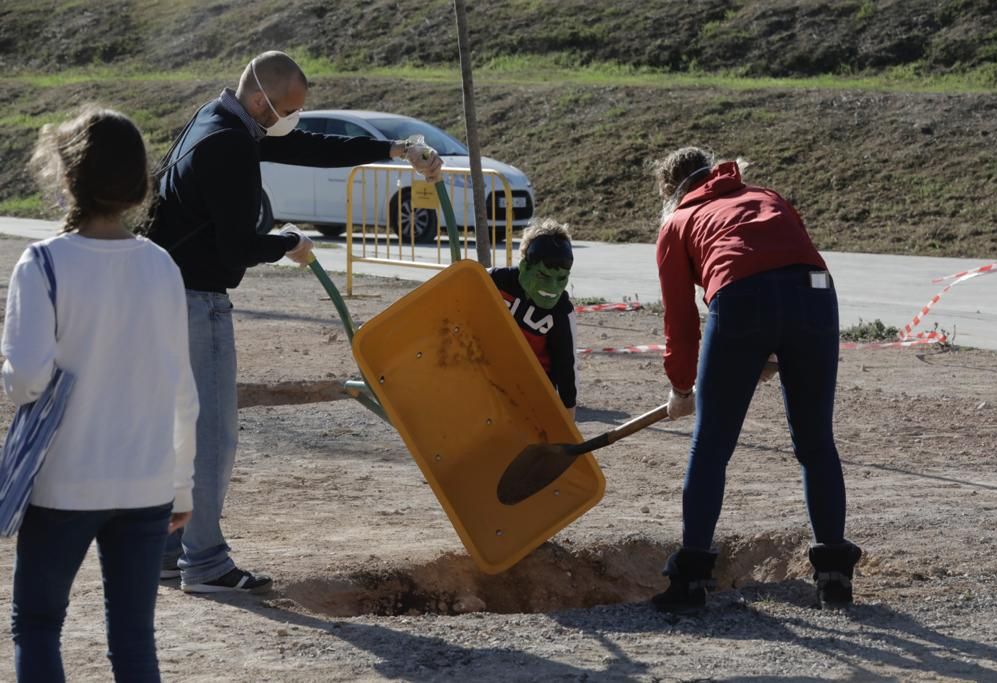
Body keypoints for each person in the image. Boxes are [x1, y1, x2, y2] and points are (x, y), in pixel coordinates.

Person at [146, 51, 442, 594]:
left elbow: (307, 146)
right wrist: (288, 242)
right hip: (196, 299)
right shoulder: (229, 142)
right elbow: (238, 243)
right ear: (261, 101)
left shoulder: (217, 119)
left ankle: (168, 552)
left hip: (168, 293)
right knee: (212, 432)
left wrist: (396, 150)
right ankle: (205, 563)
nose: (293, 120)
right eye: (289, 110)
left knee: (185, 430)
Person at [4, 107, 198, 681]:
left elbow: (28, 380)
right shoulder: (162, 264)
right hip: (146, 482)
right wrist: (181, 483)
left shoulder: (41, 263)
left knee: (38, 624)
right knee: (134, 639)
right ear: (139, 184)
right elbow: (182, 390)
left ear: (69, 179)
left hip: (64, 482)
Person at [651, 146, 861, 610]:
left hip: (743, 299)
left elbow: (681, 321)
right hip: (817, 295)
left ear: (671, 191)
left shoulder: (678, 222)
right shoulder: (765, 195)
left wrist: (682, 388)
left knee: (711, 446)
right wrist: (769, 347)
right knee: (815, 442)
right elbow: (784, 269)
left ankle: (689, 582)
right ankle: (834, 577)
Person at [489, 219, 578, 418]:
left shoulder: (561, 313)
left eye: (561, 278)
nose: (552, 287)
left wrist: (568, 424)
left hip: (531, 393)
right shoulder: (494, 282)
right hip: (486, 376)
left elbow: (566, 369)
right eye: (544, 276)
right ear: (524, 267)